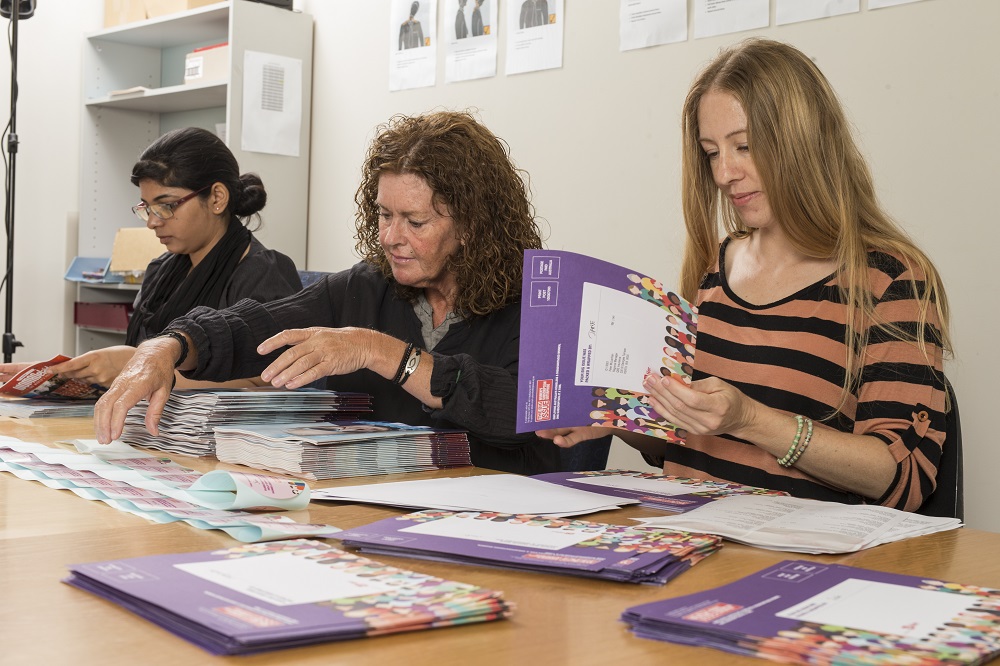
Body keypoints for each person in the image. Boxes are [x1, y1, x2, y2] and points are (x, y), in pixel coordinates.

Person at [541, 38, 952, 512]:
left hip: (791, 556)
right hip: (683, 536)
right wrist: (626, 421)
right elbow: (685, 445)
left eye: (744, 146)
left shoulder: (891, 279)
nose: (723, 174)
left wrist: (750, 419)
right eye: (712, 152)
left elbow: (904, 479)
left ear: (803, 142)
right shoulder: (718, 264)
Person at [93, 111, 611, 476]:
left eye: (416, 220)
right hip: (375, 518)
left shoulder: (543, 302)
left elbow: (527, 415)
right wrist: (169, 346)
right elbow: (260, 324)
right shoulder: (367, 285)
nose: (390, 237)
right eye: (384, 215)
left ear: (473, 225)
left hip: (499, 528)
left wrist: (382, 352)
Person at [0, 127, 302, 390]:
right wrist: (70, 372)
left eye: (166, 206)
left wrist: (138, 368)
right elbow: (134, 353)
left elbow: (269, 383)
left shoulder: (263, 272)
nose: (152, 222)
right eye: (146, 208)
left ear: (217, 198)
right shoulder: (161, 270)